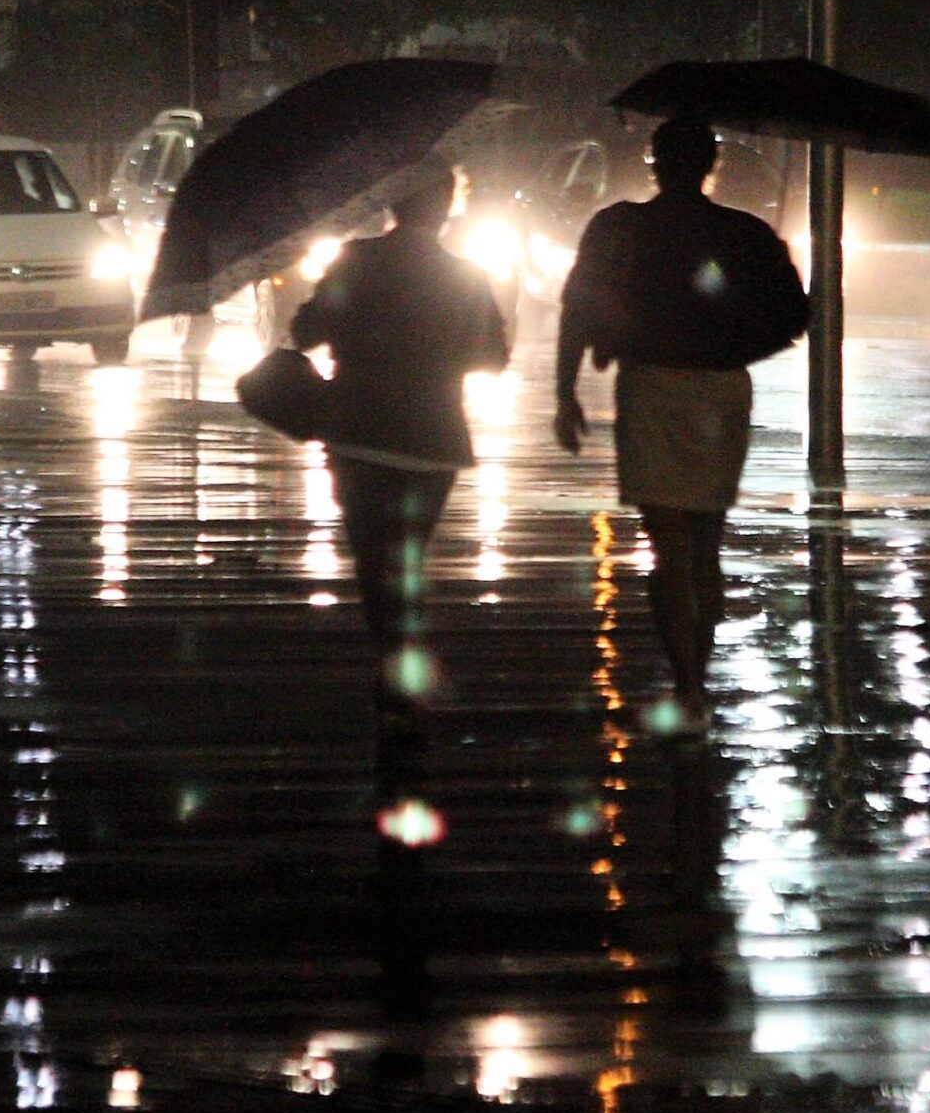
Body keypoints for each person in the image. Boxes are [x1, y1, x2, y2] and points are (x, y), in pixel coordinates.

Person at [553, 117, 807, 701]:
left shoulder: (617, 227)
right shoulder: (747, 234)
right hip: (721, 388)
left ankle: (687, 678)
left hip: (650, 386)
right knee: (706, 540)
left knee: (667, 543)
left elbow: (577, 308)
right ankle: (699, 666)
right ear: (712, 165)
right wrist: (740, 345)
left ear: (654, 164)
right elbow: (794, 315)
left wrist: (565, 392)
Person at [291, 166, 511, 757]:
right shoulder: (464, 275)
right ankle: (405, 664)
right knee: (411, 551)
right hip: (432, 440)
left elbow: (305, 329)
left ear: (391, 205)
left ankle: (392, 660)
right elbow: (494, 354)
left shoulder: (356, 260)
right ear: (446, 210)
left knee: (372, 555)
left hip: (358, 431)